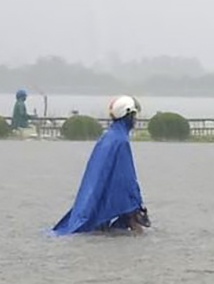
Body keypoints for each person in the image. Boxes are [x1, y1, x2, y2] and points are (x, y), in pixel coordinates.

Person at [51, 95, 150, 234]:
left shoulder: (108, 137)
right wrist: (135, 202)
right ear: (128, 115)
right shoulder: (121, 141)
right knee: (136, 233)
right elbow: (126, 177)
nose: (135, 119)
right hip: (118, 201)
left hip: (95, 199)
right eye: (134, 115)